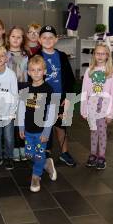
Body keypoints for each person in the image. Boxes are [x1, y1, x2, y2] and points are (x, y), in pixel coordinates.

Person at [37, 25, 76, 167]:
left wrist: (68, 98)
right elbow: (30, 81)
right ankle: (45, 151)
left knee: (61, 126)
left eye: (51, 37)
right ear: (39, 40)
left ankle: (65, 152)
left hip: (60, 98)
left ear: (56, 39)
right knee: (43, 126)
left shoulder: (62, 56)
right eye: (44, 37)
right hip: (43, 99)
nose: (48, 40)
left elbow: (70, 79)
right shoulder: (36, 57)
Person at [18, 55, 56, 193]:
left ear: (45, 71)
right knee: (29, 154)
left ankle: (36, 176)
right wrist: (21, 126)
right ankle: (46, 163)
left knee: (38, 155)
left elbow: (51, 113)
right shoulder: (25, 90)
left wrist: (46, 132)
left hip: (41, 131)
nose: (36, 73)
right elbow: (21, 109)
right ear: (28, 72)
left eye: (39, 70)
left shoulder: (48, 90)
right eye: (33, 70)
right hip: (28, 130)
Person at [81, 43, 113, 170]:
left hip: (105, 105)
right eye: (98, 53)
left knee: (102, 132)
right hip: (92, 104)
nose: (100, 56)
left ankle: (101, 156)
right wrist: (84, 109)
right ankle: (93, 154)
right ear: (94, 55)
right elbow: (84, 91)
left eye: (103, 53)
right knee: (93, 131)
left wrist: (110, 113)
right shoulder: (89, 70)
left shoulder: (111, 71)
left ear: (107, 55)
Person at [6, 26, 29, 162]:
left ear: (22, 39)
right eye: (13, 36)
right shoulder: (5, 54)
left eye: (19, 37)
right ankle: (14, 148)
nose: (15, 39)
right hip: (10, 90)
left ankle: (23, 146)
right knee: (13, 119)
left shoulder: (27, 54)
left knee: (23, 119)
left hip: (24, 88)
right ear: (9, 38)